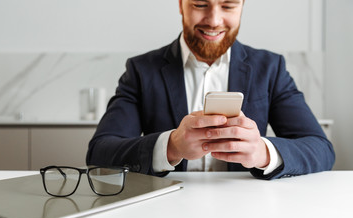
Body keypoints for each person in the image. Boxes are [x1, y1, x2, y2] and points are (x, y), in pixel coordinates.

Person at [86, 0, 335, 180]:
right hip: (164, 214)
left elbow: (321, 149)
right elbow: (100, 153)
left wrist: (263, 153)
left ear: (242, 7)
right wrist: (170, 146)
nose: (214, 21)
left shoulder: (271, 68)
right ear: (181, 4)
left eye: (228, 6)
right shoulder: (141, 70)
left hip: (250, 213)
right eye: (200, 5)